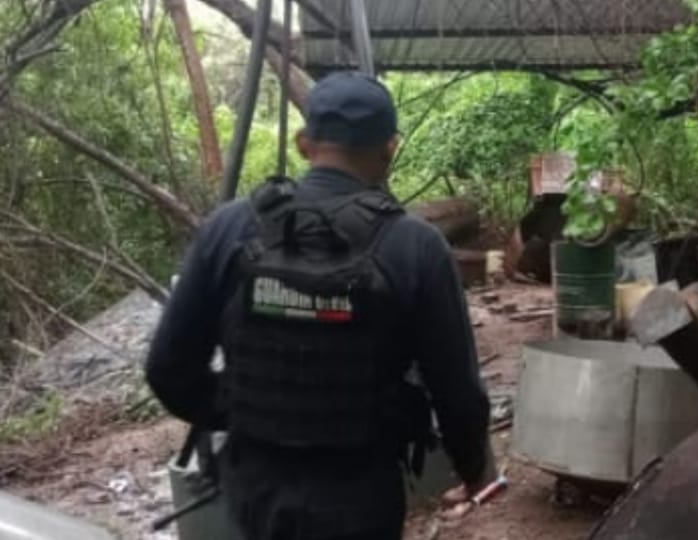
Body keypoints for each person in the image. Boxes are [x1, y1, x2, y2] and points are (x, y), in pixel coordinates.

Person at [146, 71, 495, 539]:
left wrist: (249, 413)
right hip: (360, 492)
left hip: (257, 485)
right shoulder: (417, 245)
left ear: (303, 143)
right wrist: (474, 469)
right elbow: (457, 389)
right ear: (390, 148)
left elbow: (167, 369)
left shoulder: (229, 228)